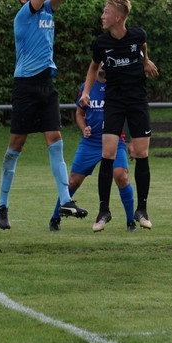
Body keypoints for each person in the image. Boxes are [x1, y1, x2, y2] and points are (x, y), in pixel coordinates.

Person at [0, 0, 93, 230]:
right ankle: (2, 204)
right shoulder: (25, 15)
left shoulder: (48, 10)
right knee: (16, 146)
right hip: (25, 86)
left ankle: (65, 199)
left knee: (56, 140)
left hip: (45, 86)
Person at [79, 0, 158, 229]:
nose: (102, 16)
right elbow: (94, 68)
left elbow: (142, 45)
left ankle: (142, 210)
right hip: (114, 102)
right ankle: (103, 211)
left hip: (137, 101)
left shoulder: (137, 35)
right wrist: (86, 92)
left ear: (118, 17)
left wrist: (144, 61)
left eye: (106, 12)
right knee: (108, 153)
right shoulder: (101, 43)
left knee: (142, 153)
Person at [50, 69, 136, 232]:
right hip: (91, 142)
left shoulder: (118, 86)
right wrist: (84, 128)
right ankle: (55, 218)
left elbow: (129, 114)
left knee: (121, 176)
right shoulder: (87, 87)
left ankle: (131, 223)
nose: (103, 64)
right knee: (73, 180)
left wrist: (131, 142)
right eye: (100, 60)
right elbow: (79, 113)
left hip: (115, 141)